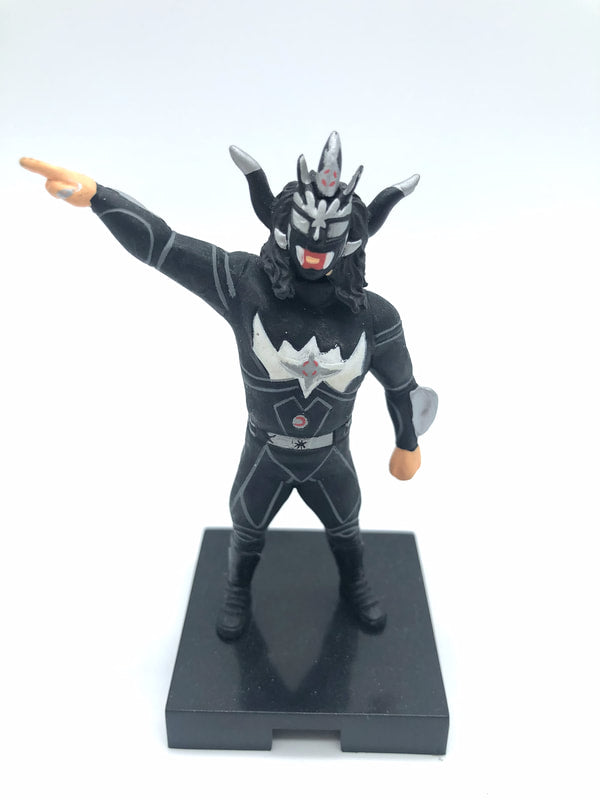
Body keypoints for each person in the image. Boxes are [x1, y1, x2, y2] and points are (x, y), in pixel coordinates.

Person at [20, 132, 437, 641]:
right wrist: (98, 197)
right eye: (305, 236)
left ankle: (355, 582)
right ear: (284, 229)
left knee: (346, 528)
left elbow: (403, 385)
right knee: (247, 527)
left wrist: (407, 443)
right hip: (266, 448)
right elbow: (165, 247)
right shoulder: (246, 284)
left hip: (330, 452)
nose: (314, 253)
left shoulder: (373, 316)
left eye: (328, 239)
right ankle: (237, 589)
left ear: (350, 241)